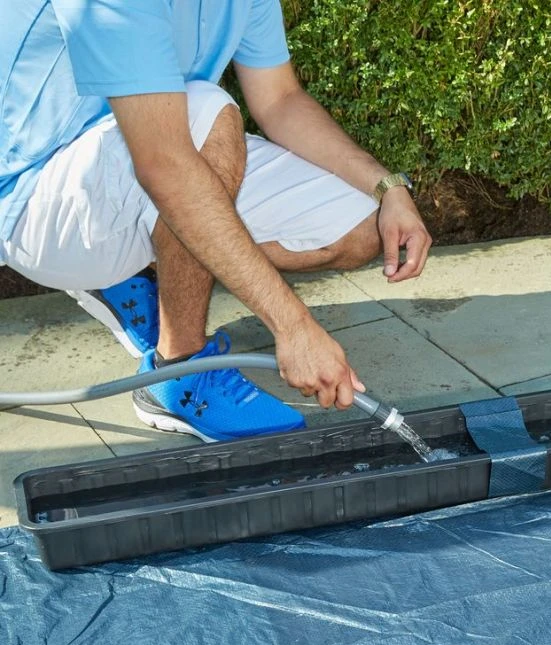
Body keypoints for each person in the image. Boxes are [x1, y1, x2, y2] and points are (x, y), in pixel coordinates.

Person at [0, 1, 432, 442]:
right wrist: (293, 326)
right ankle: (178, 371)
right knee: (206, 113)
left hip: (145, 153)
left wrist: (388, 188)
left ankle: (131, 271)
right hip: (32, 199)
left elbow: (280, 99)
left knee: (359, 225)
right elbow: (166, 166)